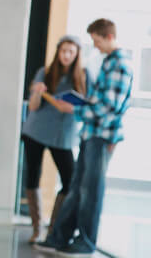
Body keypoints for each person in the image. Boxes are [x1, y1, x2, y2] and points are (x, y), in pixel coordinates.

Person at [35, 19, 133, 257]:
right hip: (91, 133)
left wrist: (76, 110)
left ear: (109, 37)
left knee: (90, 192)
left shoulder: (120, 64)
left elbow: (109, 108)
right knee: (77, 188)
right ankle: (60, 238)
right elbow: (100, 102)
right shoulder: (109, 62)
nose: (96, 47)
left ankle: (85, 242)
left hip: (102, 136)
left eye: (97, 41)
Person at [21, 35, 90, 243]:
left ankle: (53, 229)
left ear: (77, 54)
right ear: (58, 52)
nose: (67, 55)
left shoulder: (84, 77)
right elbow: (33, 107)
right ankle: (36, 228)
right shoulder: (46, 72)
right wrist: (37, 92)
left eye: (71, 52)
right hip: (37, 130)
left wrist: (74, 108)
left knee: (69, 181)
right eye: (63, 51)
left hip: (63, 135)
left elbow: (88, 105)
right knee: (32, 176)